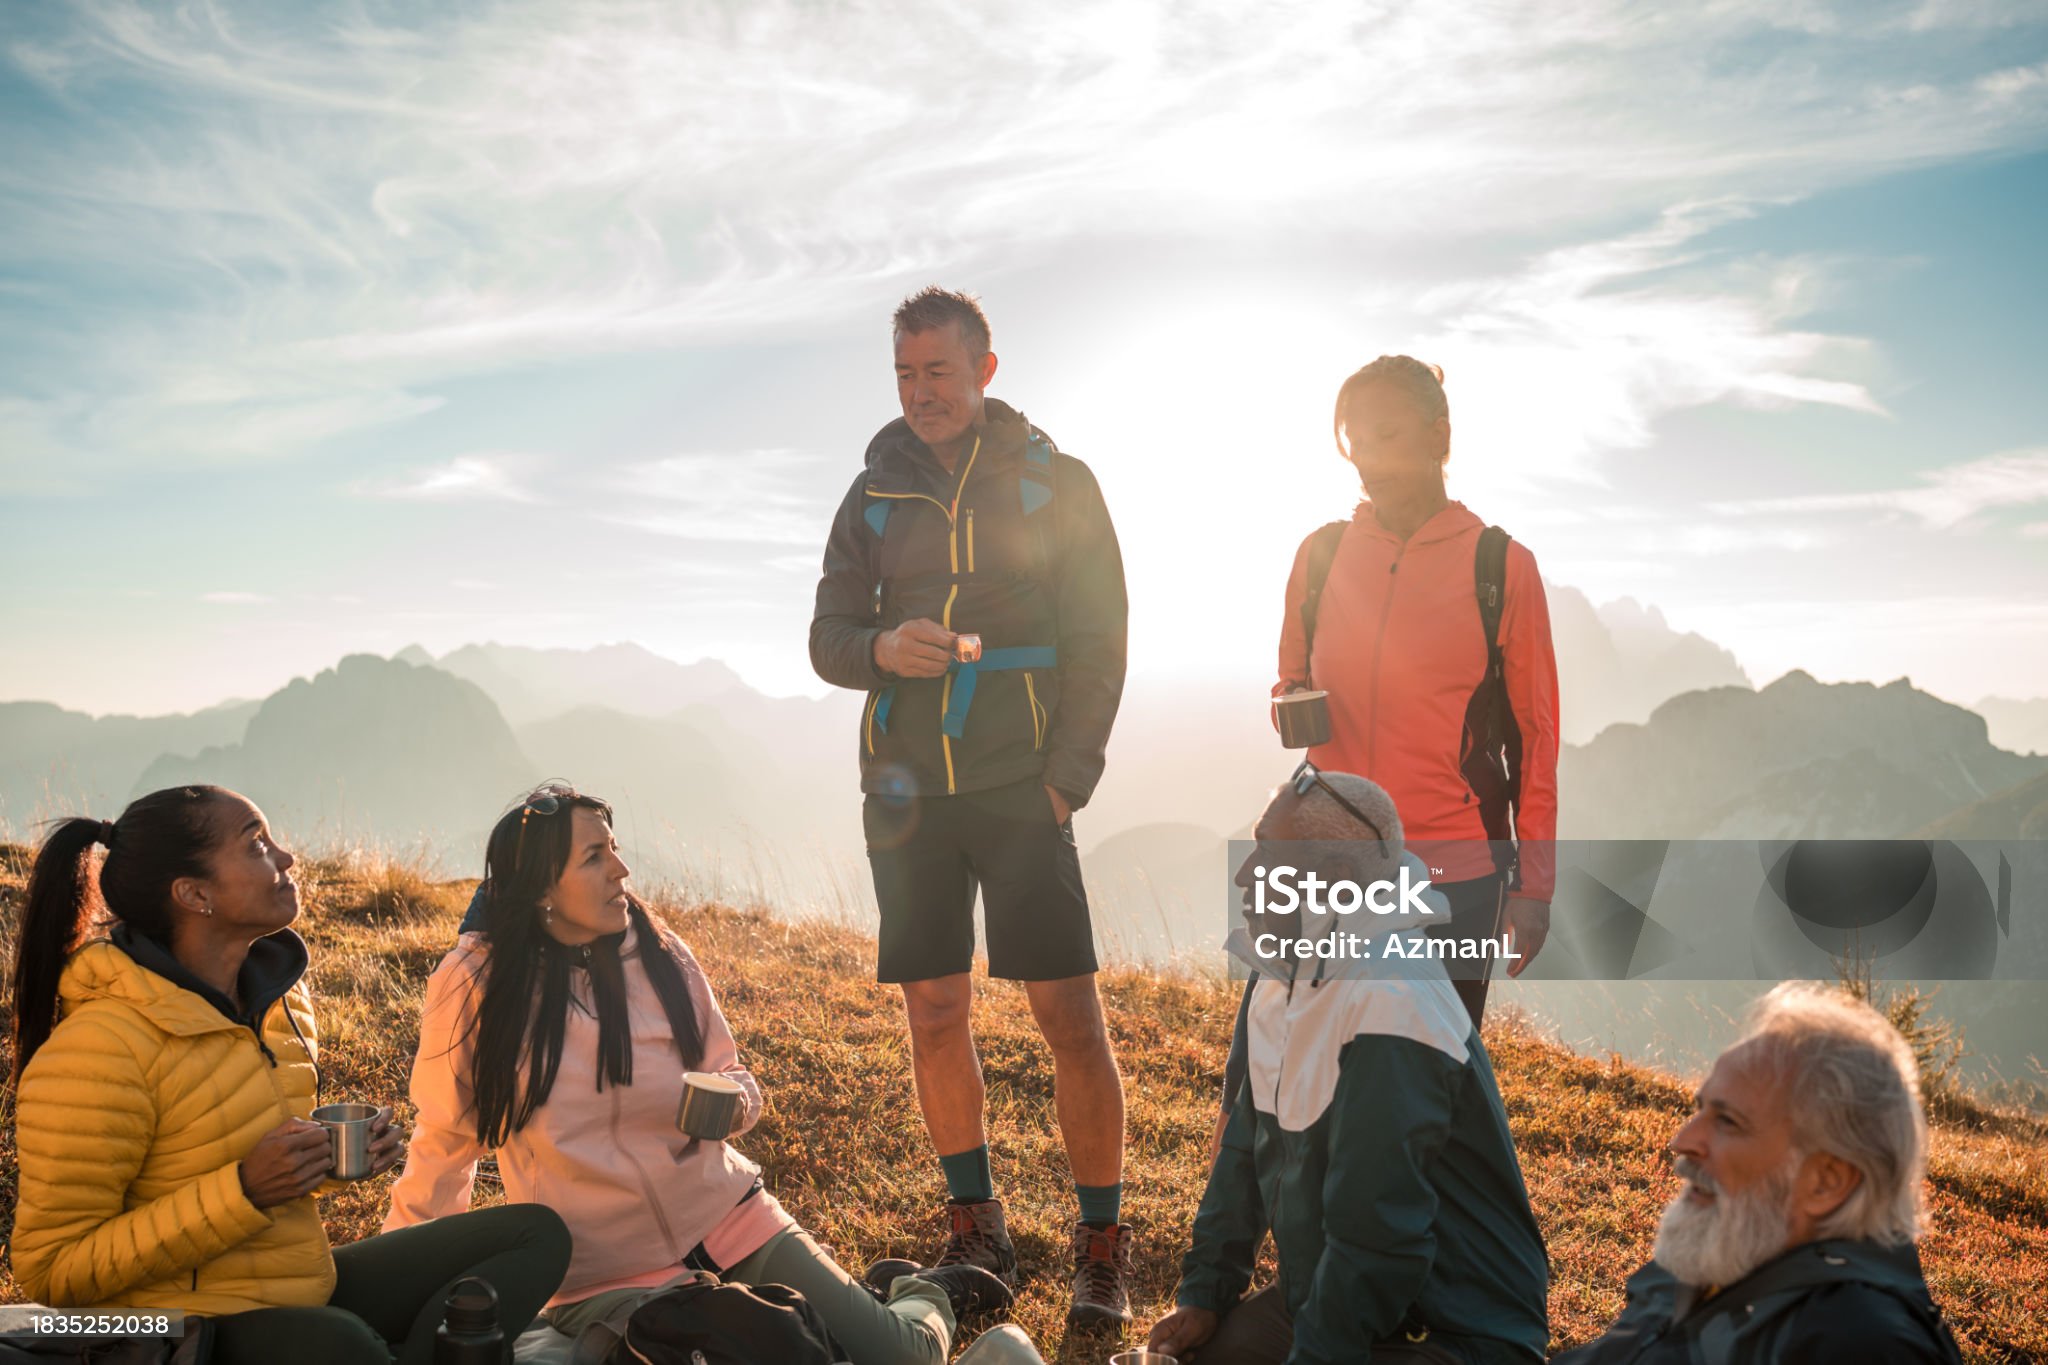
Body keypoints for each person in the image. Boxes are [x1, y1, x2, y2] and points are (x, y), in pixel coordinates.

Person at [386, 784, 1018, 1365]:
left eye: (616, 848)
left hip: (732, 1215)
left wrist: (732, 1106)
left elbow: (731, 1072)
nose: (622, 871)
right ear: (541, 887)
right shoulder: (476, 989)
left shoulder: (659, 955)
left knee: (906, 1357)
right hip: (603, 1277)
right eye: (594, 858)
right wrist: (400, 1287)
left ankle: (922, 1293)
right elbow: (444, 1146)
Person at [808, 286, 1134, 1325]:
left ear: (984, 369)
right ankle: (974, 1223)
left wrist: (1062, 781)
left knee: (1065, 1016)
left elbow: (1100, 639)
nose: (918, 394)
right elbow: (825, 636)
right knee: (933, 1009)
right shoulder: (870, 495)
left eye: (936, 372)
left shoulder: (1056, 483)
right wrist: (875, 651)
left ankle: (1101, 1243)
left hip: (1018, 784)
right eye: (903, 375)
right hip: (905, 792)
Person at [7, 784, 571, 1365]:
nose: (286, 857)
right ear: (194, 893)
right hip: (176, 1332)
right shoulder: (100, 1049)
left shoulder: (280, 1003)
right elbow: (54, 1270)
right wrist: (243, 1190)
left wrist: (324, 1160)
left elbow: (248, 1152)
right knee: (344, 1344)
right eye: (256, 845)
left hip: (298, 1286)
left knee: (535, 1236)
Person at [1147, 769, 1550, 1365]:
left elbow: (1379, 1233)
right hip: (1327, 1300)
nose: (1243, 874)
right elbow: (1242, 1151)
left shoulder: (1393, 998)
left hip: (1453, 1329)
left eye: (1267, 855)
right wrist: (1206, 1293)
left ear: (1333, 882)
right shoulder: (1284, 974)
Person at [1275, 355, 1560, 1028]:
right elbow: (1289, 675)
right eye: (1355, 441)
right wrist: (1291, 700)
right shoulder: (1320, 555)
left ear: (1439, 438)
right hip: (1332, 856)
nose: (1368, 459)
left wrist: (1535, 885)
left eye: (1388, 436)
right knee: (1312, 1061)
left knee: (1432, 1077)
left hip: (1454, 871)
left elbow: (1537, 737)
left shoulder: (1501, 567)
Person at [1554, 983, 1964, 1364]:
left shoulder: (1858, 1345)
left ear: (1826, 1182)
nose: (1683, 1139)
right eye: (1701, 1109)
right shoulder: (1719, 1253)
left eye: (1728, 1121)